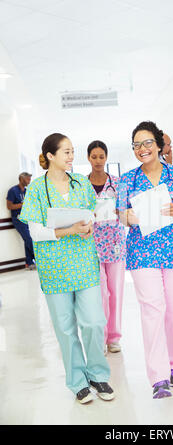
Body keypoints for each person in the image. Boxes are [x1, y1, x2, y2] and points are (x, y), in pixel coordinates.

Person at [19, 133, 114, 404]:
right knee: (65, 328)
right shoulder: (37, 189)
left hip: (83, 262)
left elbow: (92, 212)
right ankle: (77, 381)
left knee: (94, 322)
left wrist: (88, 225)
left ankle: (97, 374)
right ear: (50, 155)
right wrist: (69, 229)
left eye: (73, 152)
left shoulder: (81, 182)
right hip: (54, 267)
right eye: (66, 152)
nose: (72, 157)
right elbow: (36, 232)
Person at [116, 121, 173, 399]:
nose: (142, 149)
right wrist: (129, 217)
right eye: (137, 145)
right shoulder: (127, 179)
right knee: (152, 310)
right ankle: (158, 376)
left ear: (159, 145)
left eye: (148, 143)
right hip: (142, 251)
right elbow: (121, 214)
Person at [87, 140, 126, 354]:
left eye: (101, 156)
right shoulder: (82, 185)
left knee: (116, 291)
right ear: (88, 158)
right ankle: (101, 339)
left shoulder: (118, 183)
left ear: (106, 157)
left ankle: (114, 337)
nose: (98, 161)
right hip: (91, 244)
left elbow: (126, 208)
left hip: (116, 242)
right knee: (100, 293)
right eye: (94, 157)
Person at [6, 172, 35, 270]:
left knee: (27, 239)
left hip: (27, 219)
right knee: (29, 239)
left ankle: (29, 263)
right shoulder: (13, 191)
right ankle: (39, 259)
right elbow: (9, 206)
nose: (29, 181)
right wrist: (23, 204)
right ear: (21, 179)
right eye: (27, 179)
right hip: (18, 219)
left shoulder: (27, 191)